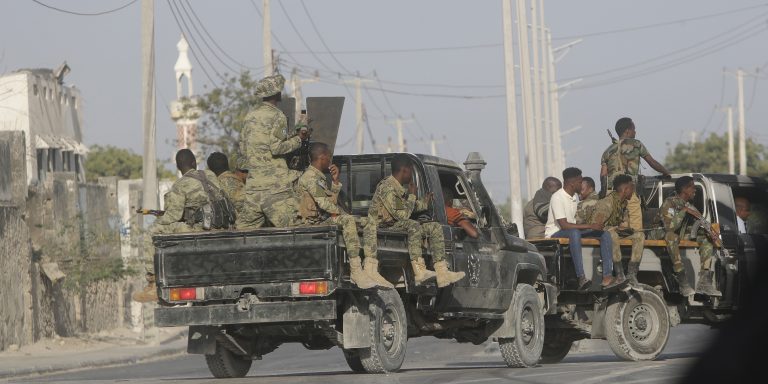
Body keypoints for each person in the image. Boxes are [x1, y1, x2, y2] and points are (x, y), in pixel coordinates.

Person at [133, 149, 228, 302]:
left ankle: (152, 284)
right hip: (223, 225)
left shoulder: (180, 185)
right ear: (194, 163)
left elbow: (174, 216)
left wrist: (160, 219)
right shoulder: (210, 175)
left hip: (199, 229)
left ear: (178, 167)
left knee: (151, 233)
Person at [364, 154, 465, 288]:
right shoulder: (387, 188)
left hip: (394, 225)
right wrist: (412, 195)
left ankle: (442, 272)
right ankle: (419, 271)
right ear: (404, 170)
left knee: (434, 227)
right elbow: (403, 215)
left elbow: (407, 208)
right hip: (383, 227)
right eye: (411, 171)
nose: (411, 175)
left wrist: (424, 203)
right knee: (413, 225)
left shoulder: (398, 188)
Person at [297, 143, 380, 289]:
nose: (330, 161)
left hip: (323, 218)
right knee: (348, 220)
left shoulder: (319, 177)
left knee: (368, 222)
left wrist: (335, 181)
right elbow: (324, 204)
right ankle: (355, 270)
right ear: (322, 157)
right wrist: (343, 213)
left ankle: (371, 268)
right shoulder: (310, 177)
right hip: (314, 223)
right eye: (329, 157)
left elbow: (330, 201)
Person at [237, 74, 310, 229]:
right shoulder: (278, 116)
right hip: (275, 189)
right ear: (277, 93)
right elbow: (276, 147)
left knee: (243, 233)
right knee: (295, 229)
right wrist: (299, 139)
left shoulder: (249, 117)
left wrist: (293, 132)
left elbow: (244, 149)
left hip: (254, 188)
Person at [545, 167, 617, 290]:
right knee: (574, 233)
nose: (581, 184)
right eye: (580, 182)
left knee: (604, 234)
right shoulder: (557, 197)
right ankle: (581, 277)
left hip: (571, 231)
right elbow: (564, 225)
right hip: (555, 233)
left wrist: (595, 227)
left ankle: (607, 277)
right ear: (572, 184)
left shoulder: (574, 197)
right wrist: (590, 225)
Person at [600, 117, 671, 231]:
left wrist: (603, 196)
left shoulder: (607, 150)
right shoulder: (637, 144)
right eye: (634, 129)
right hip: (628, 192)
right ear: (627, 131)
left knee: (615, 227)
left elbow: (603, 175)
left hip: (611, 194)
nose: (635, 132)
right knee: (635, 229)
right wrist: (666, 172)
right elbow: (651, 162)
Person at [655, 176, 721, 297]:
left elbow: (699, 222)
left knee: (706, 239)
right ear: (684, 189)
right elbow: (669, 227)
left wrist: (710, 232)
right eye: (693, 188)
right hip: (659, 233)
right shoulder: (670, 202)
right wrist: (684, 211)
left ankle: (704, 282)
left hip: (679, 234)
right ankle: (682, 280)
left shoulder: (689, 205)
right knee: (671, 236)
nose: (694, 191)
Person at [590, 174, 646, 286]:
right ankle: (619, 273)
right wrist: (615, 228)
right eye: (632, 188)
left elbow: (624, 223)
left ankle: (632, 273)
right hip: (602, 233)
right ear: (625, 189)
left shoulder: (623, 203)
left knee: (640, 235)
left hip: (614, 232)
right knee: (612, 234)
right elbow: (595, 226)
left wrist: (625, 229)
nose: (633, 191)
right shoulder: (607, 203)